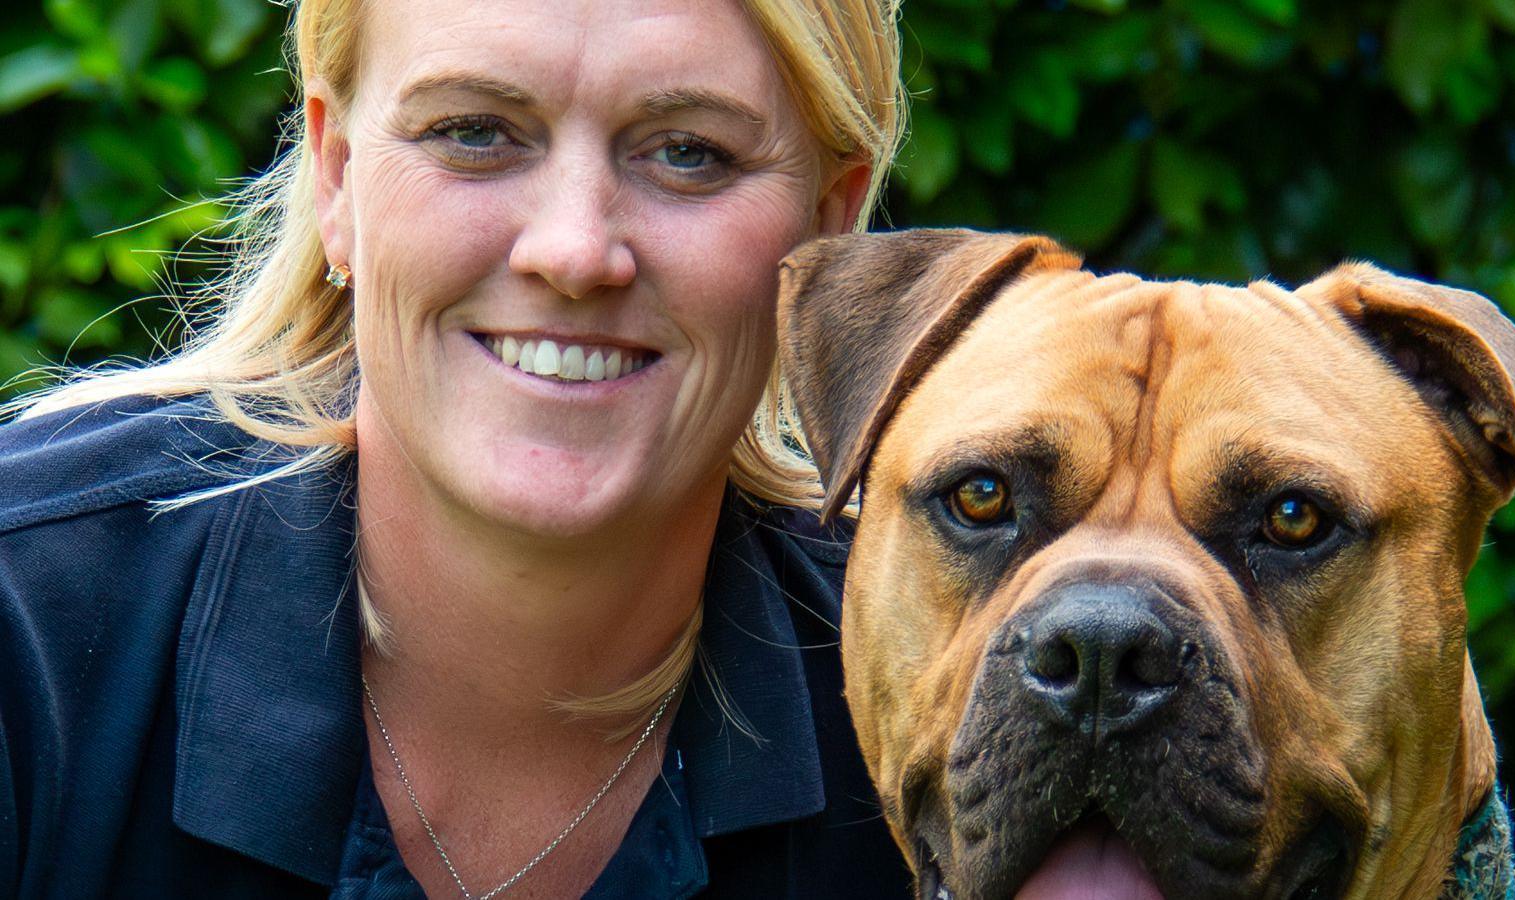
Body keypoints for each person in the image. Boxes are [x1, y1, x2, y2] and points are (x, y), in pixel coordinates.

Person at [0, 0, 913, 896]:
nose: (573, 252)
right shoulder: (25, 624)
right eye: (475, 131)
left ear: (829, 229)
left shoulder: (945, 700)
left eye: (689, 153)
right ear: (336, 175)